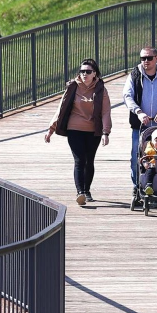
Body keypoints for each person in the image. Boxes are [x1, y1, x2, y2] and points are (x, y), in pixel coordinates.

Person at [45, 59, 111, 205]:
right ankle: (80, 192)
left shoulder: (100, 89)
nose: (84, 74)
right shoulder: (73, 87)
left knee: (89, 161)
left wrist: (106, 132)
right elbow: (61, 109)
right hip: (75, 129)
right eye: (82, 71)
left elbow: (106, 111)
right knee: (79, 160)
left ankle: (87, 191)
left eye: (88, 72)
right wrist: (51, 129)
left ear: (95, 74)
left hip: (94, 130)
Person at [123, 47, 157, 197]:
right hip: (141, 125)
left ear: (156, 58)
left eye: (148, 58)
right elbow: (127, 96)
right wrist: (139, 112)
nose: (145, 61)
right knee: (137, 155)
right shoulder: (135, 75)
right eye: (142, 58)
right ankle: (137, 185)